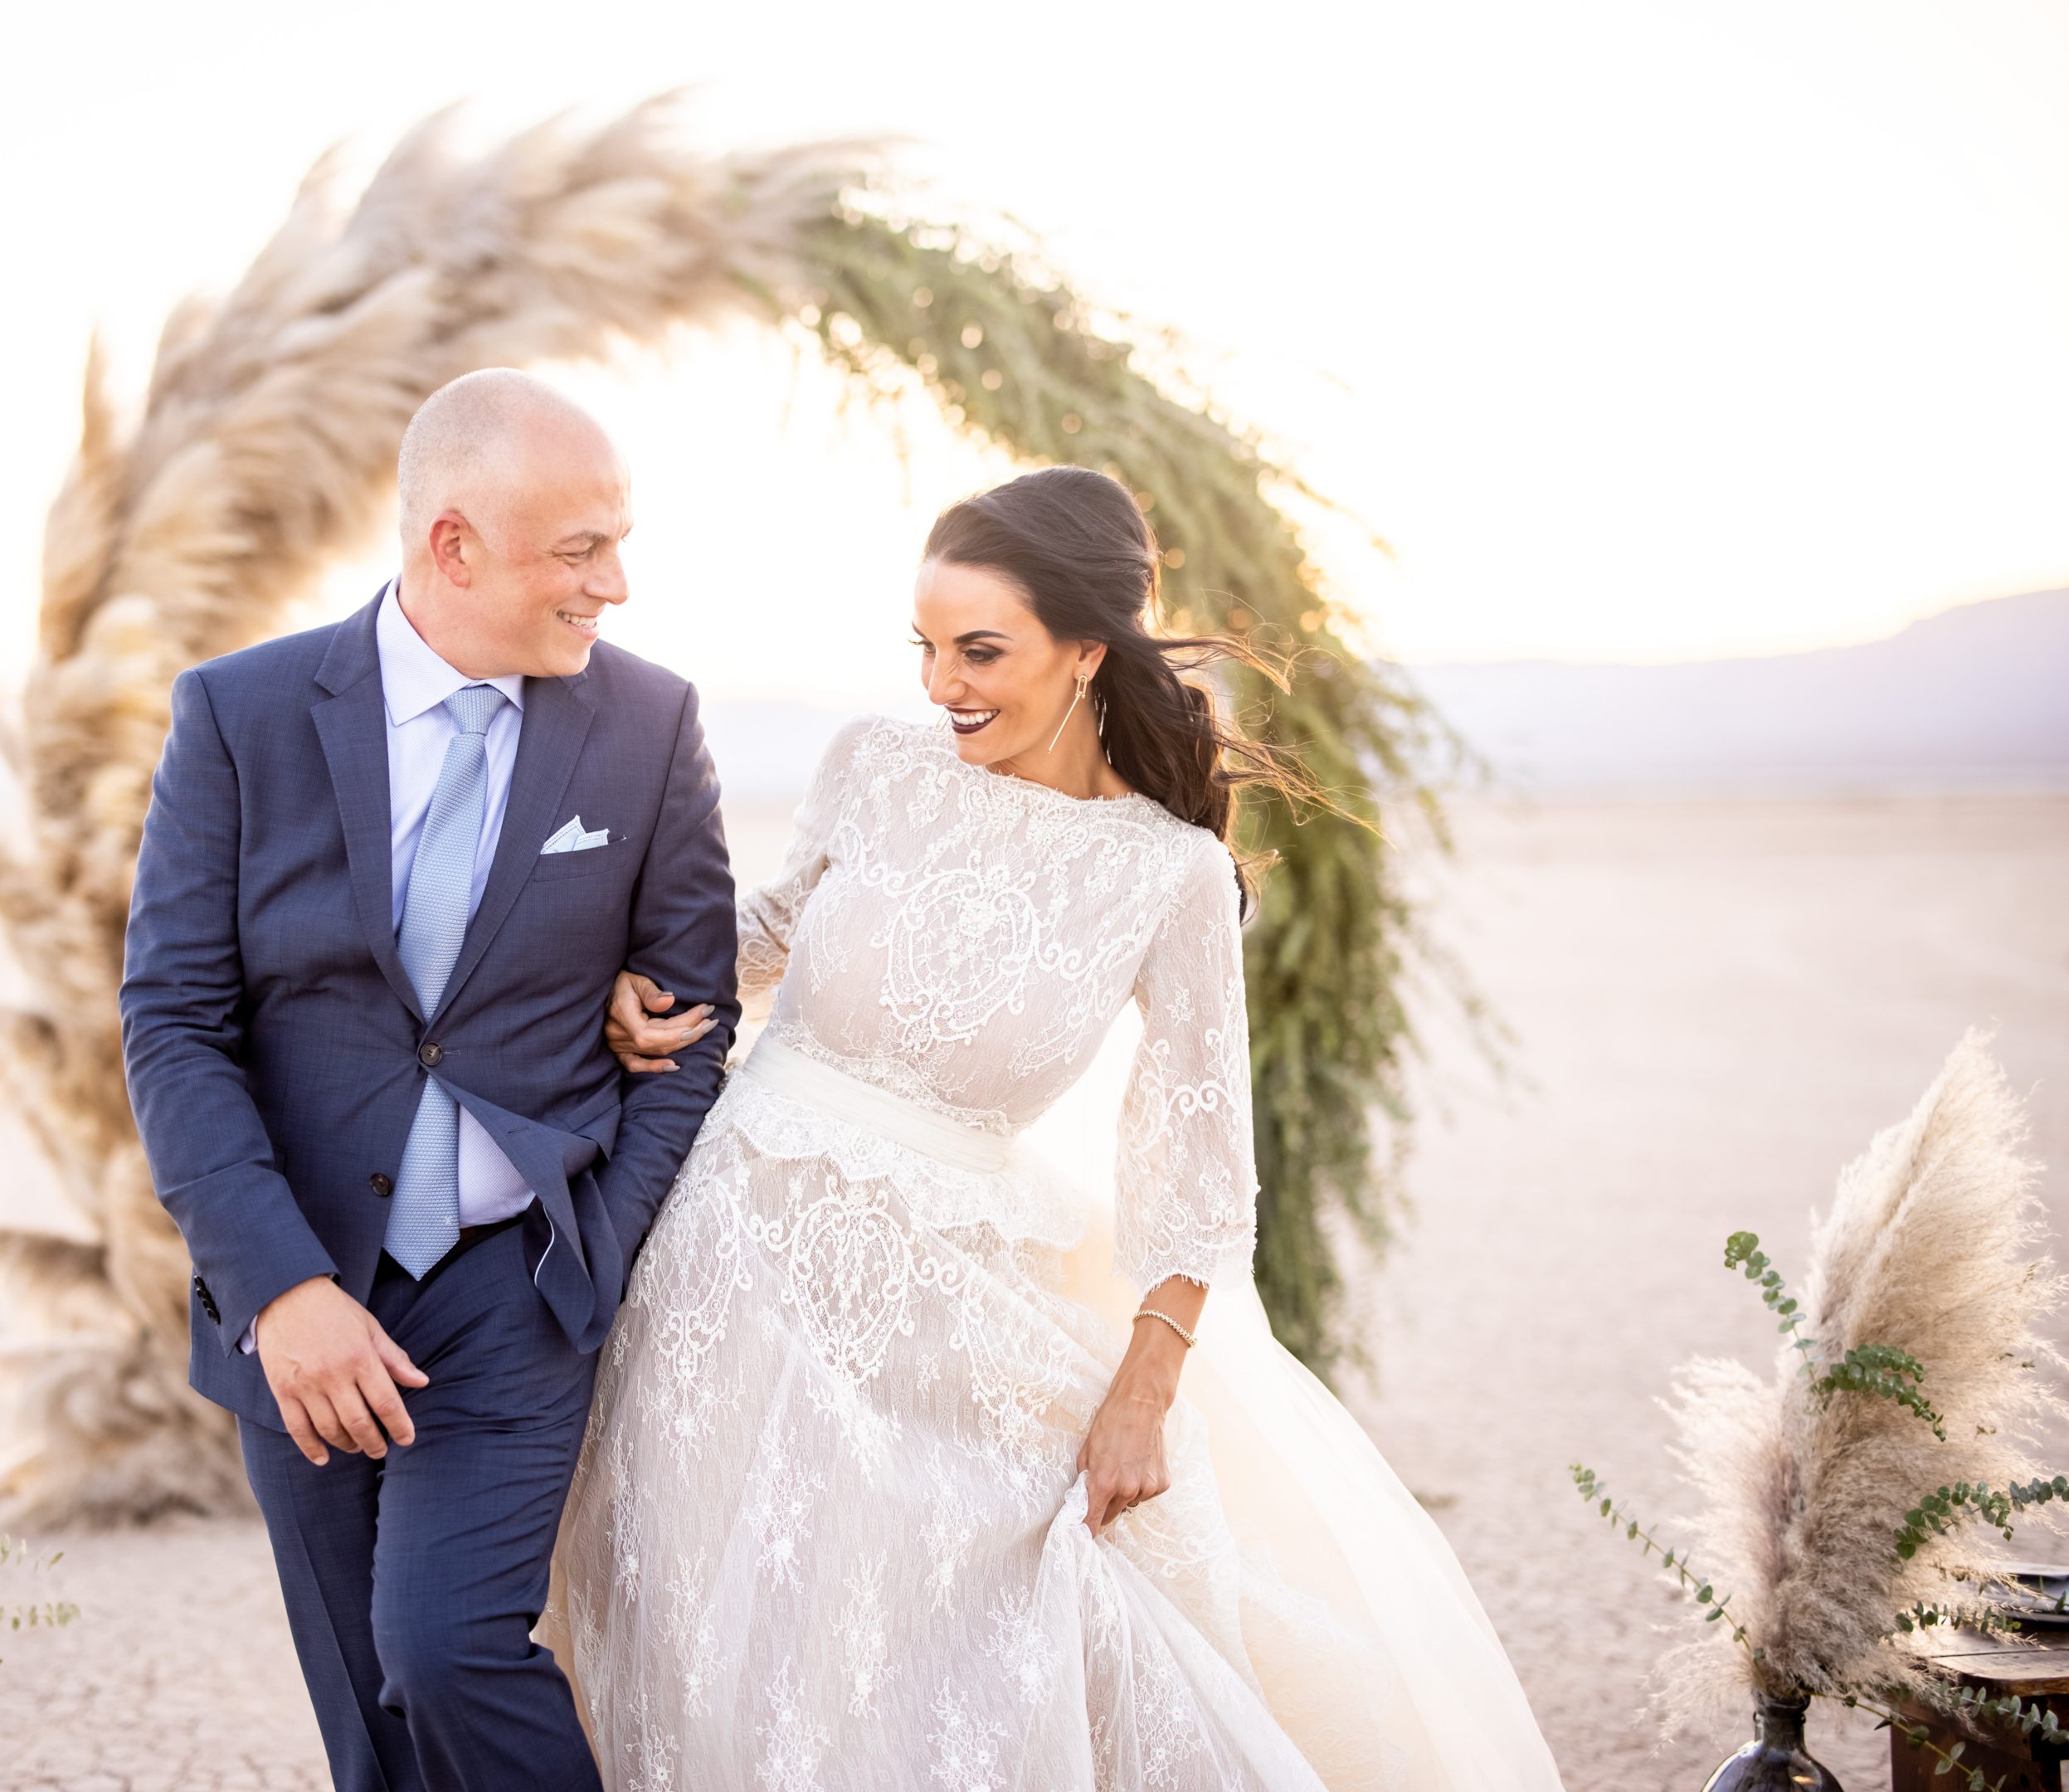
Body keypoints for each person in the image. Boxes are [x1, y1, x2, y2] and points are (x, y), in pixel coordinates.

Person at [567, 465, 1565, 1789]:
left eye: (979, 651)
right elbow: (770, 932)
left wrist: (1141, 1399)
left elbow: (1202, 1169)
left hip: (947, 1302)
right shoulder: (874, 764)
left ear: (1087, 648)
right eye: (923, 647)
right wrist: (662, 997)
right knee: (713, 1630)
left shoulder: (1170, 875)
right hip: (726, 1268)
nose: (941, 685)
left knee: (969, 1643)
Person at [119, 369, 740, 1792]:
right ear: (454, 544)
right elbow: (173, 1024)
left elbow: (691, 1026)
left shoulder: (648, 727)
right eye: (580, 550)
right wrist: (279, 1289)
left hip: (516, 1283)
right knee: (371, 1723)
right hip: (295, 1290)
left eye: (619, 541)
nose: (616, 586)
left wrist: (585, 1252)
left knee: (448, 1652)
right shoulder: (240, 715)